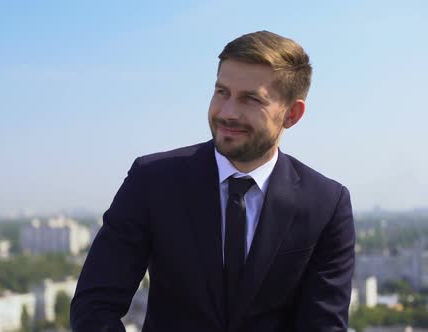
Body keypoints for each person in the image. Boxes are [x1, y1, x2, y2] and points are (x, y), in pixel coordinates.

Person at [70, 30, 355, 332]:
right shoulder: (152, 181)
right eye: (222, 92)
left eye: (250, 99)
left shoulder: (326, 204)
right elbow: (94, 307)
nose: (228, 112)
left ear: (292, 114)